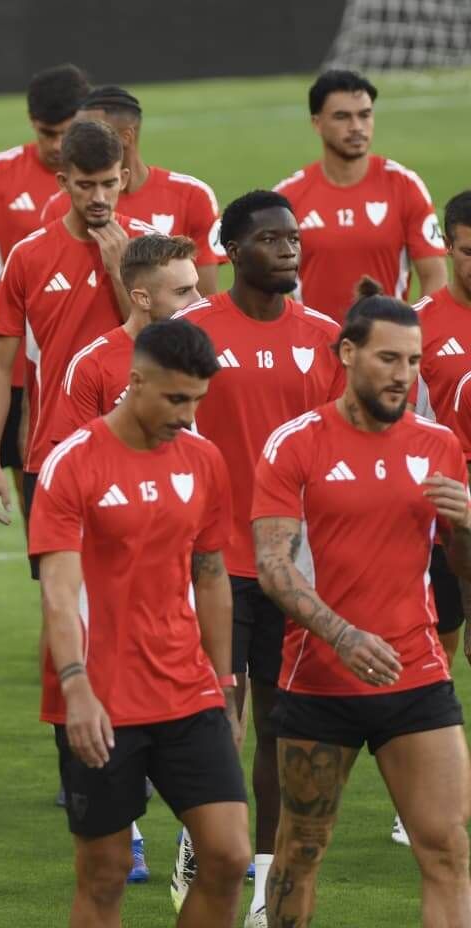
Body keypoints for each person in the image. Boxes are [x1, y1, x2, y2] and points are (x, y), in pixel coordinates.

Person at [252, 283, 471, 927]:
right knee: (300, 853)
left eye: (413, 361)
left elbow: (460, 572)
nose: (404, 374)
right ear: (347, 353)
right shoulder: (295, 444)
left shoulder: (438, 445)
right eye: (388, 359)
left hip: (417, 673)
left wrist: (468, 529)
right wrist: (344, 636)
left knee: (449, 851)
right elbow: (272, 566)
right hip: (321, 681)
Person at [32, 318, 250, 928]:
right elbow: (58, 587)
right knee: (103, 879)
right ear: (135, 382)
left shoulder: (205, 461)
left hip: (187, 689)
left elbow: (211, 578)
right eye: (176, 398)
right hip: (100, 698)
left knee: (229, 856)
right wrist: (75, 687)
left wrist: (226, 688)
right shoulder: (73, 464)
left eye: (198, 400)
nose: (188, 414)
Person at [169, 190, 344, 924]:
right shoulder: (192, 333)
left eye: (294, 239)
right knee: (220, 721)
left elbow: (341, 442)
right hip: (212, 563)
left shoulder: (327, 337)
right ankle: (203, 847)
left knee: (284, 727)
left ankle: (267, 885)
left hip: (295, 568)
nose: (290, 250)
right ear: (231, 251)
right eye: (272, 240)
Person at [0, 118, 154, 550]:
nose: (98, 197)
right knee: (61, 604)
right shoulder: (29, 257)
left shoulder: (151, 250)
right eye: (85, 185)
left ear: (124, 177)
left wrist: (119, 271)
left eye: (109, 184)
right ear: (63, 181)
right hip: (55, 454)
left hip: (142, 452)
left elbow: (164, 345)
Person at [0, 63, 90, 531]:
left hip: (84, 359)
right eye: (46, 133)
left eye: (66, 132)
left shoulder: (97, 175)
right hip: (16, 361)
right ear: (32, 122)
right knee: (34, 487)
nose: (57, 145)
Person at [274, 69, 445, 323]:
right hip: (316, 351)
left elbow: (435, 277)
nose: (356, 127)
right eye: (342, 117)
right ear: (317, 123)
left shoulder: (405, 186)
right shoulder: (287, 197)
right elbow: (267, 286)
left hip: (386, 348)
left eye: (364, 115)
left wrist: (417, 337)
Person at [38, 85, 227, 296]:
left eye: (94, 129)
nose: (80, 138)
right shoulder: (59, 207)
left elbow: (202, 301)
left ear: (126, 136)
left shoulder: (193, 196)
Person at [413, 191, 471, 673]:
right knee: (439, 655)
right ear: (448, 248)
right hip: (443, 526)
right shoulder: (415, 325)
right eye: (469, 251)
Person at [61, 233, 202, 433]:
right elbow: (76, 456)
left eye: (196, 287)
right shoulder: (92, 366)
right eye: (182, 292)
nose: (198, 301)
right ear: (143, 298)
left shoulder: (210, 350)